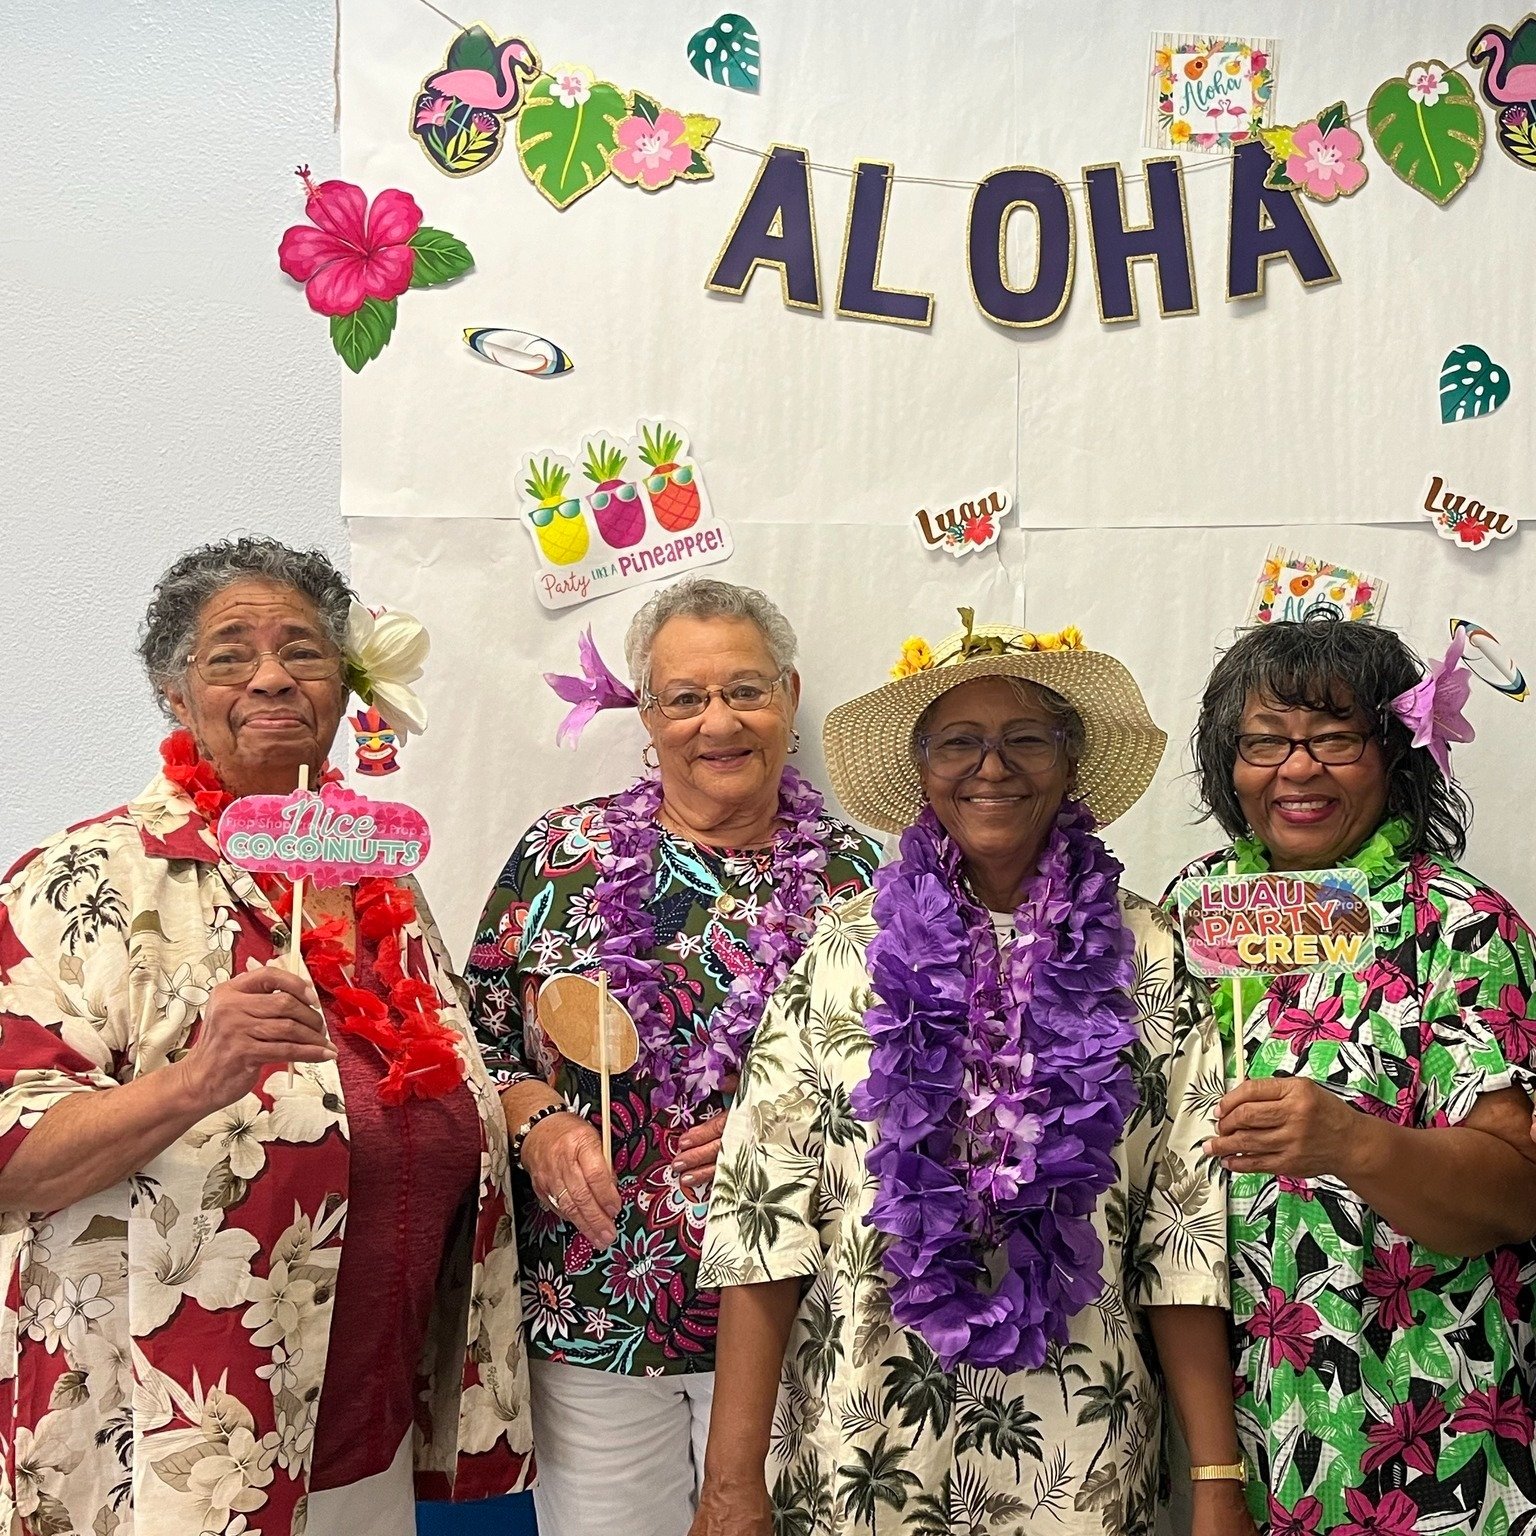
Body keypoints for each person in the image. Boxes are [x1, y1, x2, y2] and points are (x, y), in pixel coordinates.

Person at [0, 538, 532, 1536]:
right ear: (174, 693)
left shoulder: (382, 886)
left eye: (305, 651)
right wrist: (195, 1081)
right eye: (229, 654)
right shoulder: (84, 879)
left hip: (360, 1442)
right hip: (169, 1455)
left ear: (344, 686)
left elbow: (442, 1092)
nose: (274, 675)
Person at [691, 616, 1252, 1536]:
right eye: (960, 741)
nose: (992, 766)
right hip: (858, 1456)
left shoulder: (1154, 955)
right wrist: (729, 1485)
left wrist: (1218, 1480)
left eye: (1027, 738)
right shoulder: (843, 951)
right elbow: (763, 1226)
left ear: (1072, 765)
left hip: (1082, 1463)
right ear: (922, 771)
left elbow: (1180, 1236)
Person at [464, 576, 880, 1535]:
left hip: (808, 1321)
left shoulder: (869, 884)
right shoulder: (560, 855)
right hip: (598, 1309)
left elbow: (920, 1085)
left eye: (745, 690)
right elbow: (469, 1037)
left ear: (791, 694)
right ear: (646, 717)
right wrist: (539, 1118)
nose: (717, 722)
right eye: (685, 698)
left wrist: (783, 1130)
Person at [1173, 615, 1536, 1535]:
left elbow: (1519, 1193)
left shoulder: (1463, 928)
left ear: (1396, 752)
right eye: (1265, 741)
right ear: (1229, 762)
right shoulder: (1190, 915)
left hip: (1434, 1442)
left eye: (1335, 738)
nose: (1298, 769)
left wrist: (1352, 1141)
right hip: (1239, 1444)